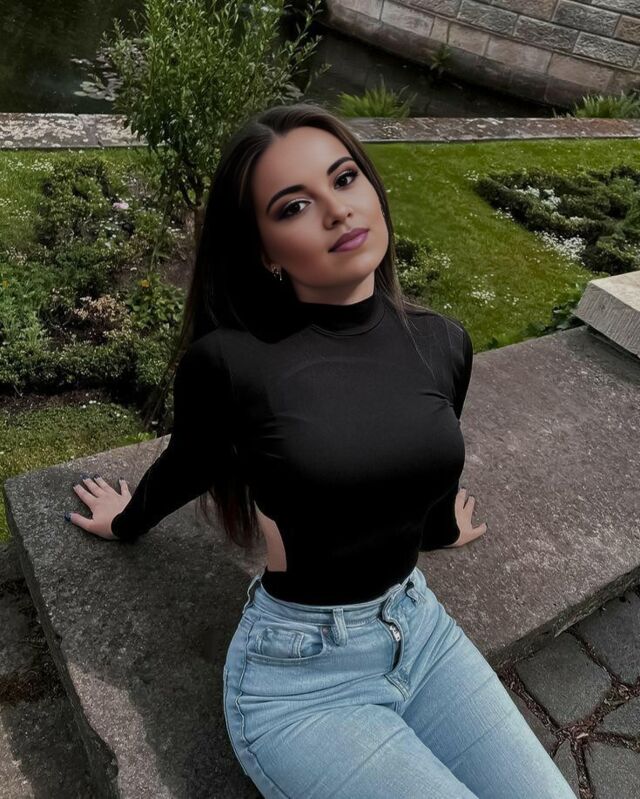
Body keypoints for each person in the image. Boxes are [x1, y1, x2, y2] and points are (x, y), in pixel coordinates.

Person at [66, 103, 575, 798]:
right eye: (295, 205)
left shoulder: (441, 341)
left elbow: (421, 469)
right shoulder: (235, 363)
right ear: (265, 251)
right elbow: (191, 462)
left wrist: (440, 527)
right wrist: (125, 520)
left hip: (421, 632)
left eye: (344, 178)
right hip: (301, 679)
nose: (337, 210)